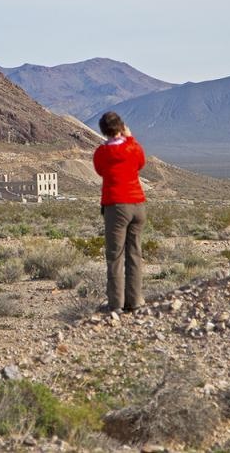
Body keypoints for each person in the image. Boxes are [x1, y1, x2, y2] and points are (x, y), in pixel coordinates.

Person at [92, 111, 147, 312]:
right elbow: (141, 163)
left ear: (103, 130)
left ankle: (116, 304)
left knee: (115, 256)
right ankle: (135, 301)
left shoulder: (102, 153)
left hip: (116, 205)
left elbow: (100, 170)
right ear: (121, 127)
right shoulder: (132, 147)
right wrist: (130, 137)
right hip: (138, 204)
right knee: (134, 253)